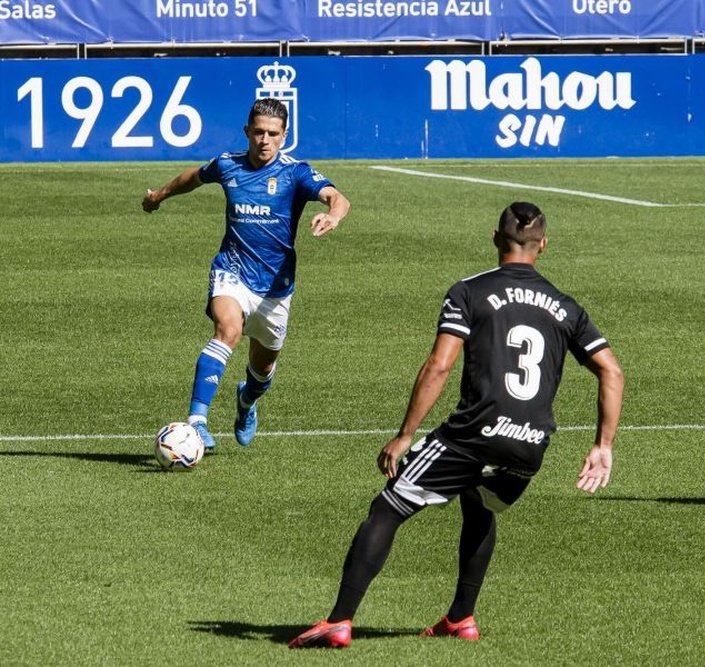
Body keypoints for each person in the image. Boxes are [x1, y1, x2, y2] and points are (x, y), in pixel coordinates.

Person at [289, 202, 624, 649]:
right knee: (480, 504)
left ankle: (339, 620)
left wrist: (406, 434)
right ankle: (461, 618)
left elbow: (439, 366)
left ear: (494, 238)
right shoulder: (566, 307)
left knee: (388, 507)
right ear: (544, 245)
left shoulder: (470, 291)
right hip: (530, 445)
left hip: (474, 434)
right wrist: (603, 445)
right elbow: (612, 372)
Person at [142, 98, 350, 451]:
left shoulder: (295, 173)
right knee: (228, 330)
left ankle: (246, 402)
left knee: (262, 371)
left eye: (272, 133)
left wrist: (333, 215)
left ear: (284, 135)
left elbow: (338, 197)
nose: (264, 140)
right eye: (258, 132)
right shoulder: (228, 165)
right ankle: (196, 421)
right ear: (247, 132)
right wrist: (159, 195)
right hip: (231, 270)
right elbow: (193, 177)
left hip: (276, 287)